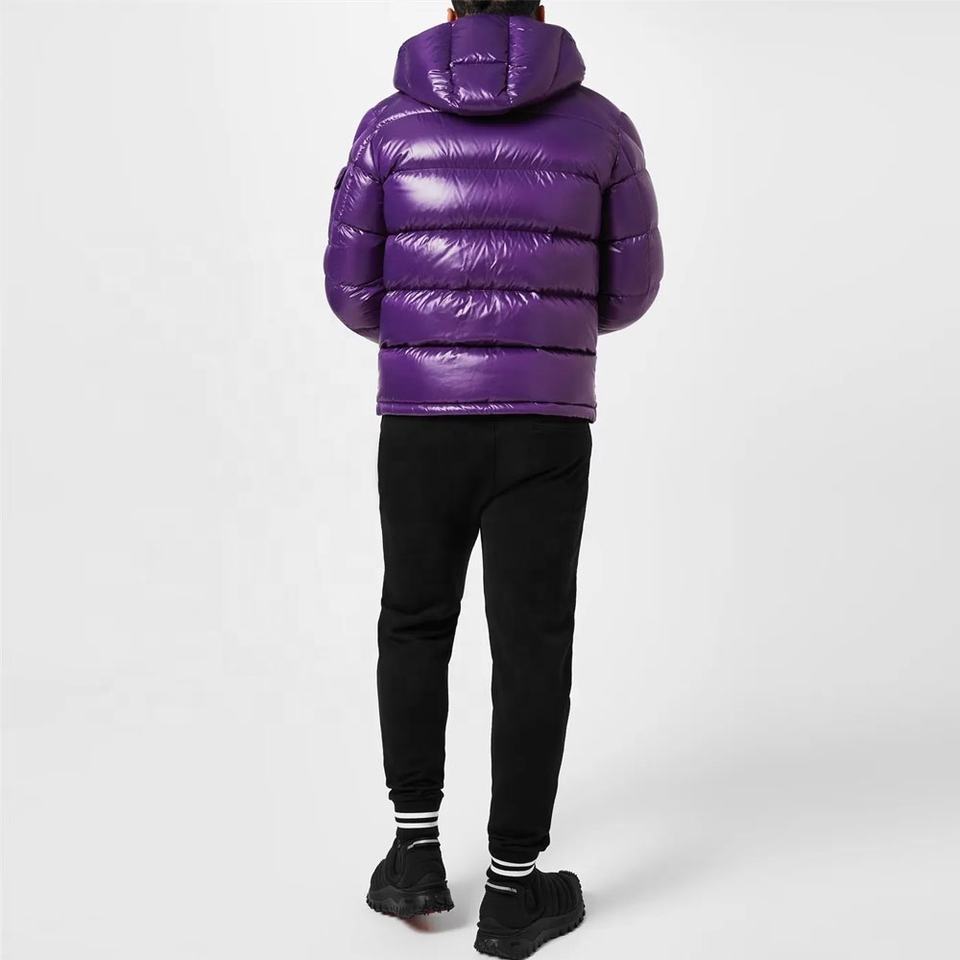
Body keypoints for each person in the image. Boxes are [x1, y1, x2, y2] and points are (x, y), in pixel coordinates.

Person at [324, 1, 663, 954]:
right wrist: (543, 326)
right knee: (532, 642)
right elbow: (629, 289)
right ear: (540, 10)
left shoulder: (389, 127)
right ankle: (514, 892)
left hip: (421, 420)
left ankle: (414, 855)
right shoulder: (602, 128)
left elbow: (351, 292)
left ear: (451, 9)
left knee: (415, 620)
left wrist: (430, 335)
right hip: (545, 421)